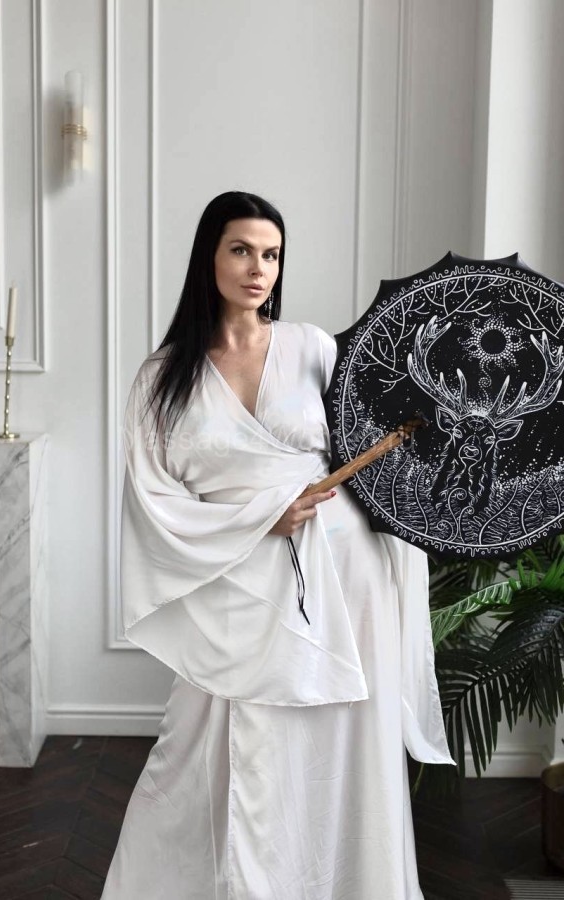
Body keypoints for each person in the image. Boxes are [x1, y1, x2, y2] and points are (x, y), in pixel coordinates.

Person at [101, 191, 453, 900]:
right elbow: (153, 501)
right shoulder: (161, 378)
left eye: (271, 255)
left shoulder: (313, 347)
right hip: (233, 584)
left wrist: (418, 427)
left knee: (343, 743)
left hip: (345, 576)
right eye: (241, 250)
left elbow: (369, 455)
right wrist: (261, 518)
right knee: (202, 749)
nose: (258, 268)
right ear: (208, 257)